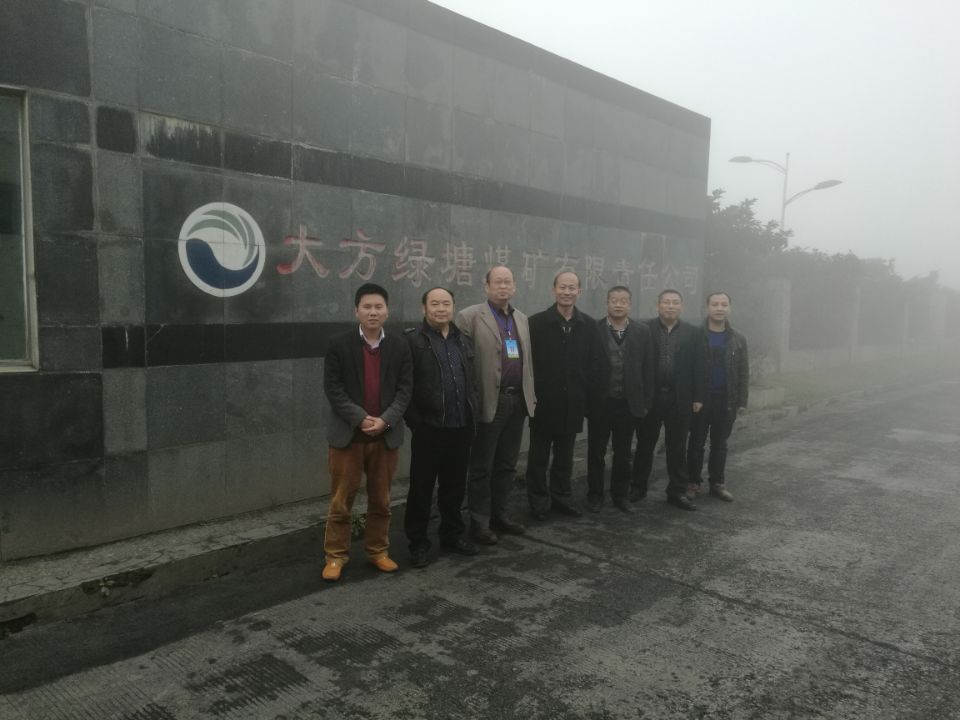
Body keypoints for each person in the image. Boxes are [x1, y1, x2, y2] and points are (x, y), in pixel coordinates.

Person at [321, 283, 413, 581]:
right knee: (341, 501)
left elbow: (405, 390)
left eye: (378, 307)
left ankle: (378, 551)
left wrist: (386, 420)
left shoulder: (400, 345)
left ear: (387, 311)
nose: (373, 312)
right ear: (356, 311)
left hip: (385, 437)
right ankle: (335, 556)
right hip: (348, 437)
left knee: (381, 500)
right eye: (367, 307)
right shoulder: (338, 344)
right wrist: (360, 418)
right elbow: (333, 389)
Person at [455, 266, 535, 545]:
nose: (503, 287)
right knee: (482, 466)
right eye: (498, 282)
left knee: (507, 464)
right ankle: (479, 522)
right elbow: (463, 365)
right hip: (489, 401)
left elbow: (528, 362)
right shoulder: (469, 317)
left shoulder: (521, 318)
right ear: (486, 286)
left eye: (508, 282)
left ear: (514, 286)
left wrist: (530, 396)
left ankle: (500, 515)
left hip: (517, 400)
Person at [403, 287, 481, 568]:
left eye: (446, 303)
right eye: (434, 304)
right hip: (429, 428)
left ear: (453, 307)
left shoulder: (463, 340)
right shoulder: (413, 340)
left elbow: (471, 381)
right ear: (424, 308)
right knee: (421, 488)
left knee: (454, 485)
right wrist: (416, 423)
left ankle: (452, 534)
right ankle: (418, 543)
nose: (440, 309)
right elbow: (405, 386)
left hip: (460, 425)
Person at [526, 271, 599, 520]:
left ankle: (561, 497)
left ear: (579, 291)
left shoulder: (589, 325)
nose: (567, 292)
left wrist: (587, 398)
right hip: (543, 402)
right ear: (553, 290)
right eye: (562, 287)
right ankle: (538, 502)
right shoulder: (536, 323)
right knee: (538, 457)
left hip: (573, 402)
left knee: (565, 456)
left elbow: (594, 364)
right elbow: (528, 364)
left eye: (572, 288)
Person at [631, 289, 706, 510]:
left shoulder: (693, 333)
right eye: (666, 302)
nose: (670, 306)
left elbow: (700, 366)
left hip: (680, 398)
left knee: (677, 446)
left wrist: (698, 396)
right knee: (645, 445)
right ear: (658, 306)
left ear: (681, 307)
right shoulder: (644, 329)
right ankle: (637, 488)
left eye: (675, 303)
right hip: (651, 397)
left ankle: (677, 491)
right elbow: (637, 363)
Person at [586, 285, 654, 514]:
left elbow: (648, 368)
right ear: (607, 303)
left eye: (623, 301)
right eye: (614, 300)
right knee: (596, 451)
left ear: (630, 305)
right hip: (601, 402)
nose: (618, 304)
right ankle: (595, 495)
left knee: (623, 452)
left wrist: (646, 401)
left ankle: (620, 495)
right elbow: (587, 367)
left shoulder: (642, 331)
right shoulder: (594, 329)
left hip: (628, 402)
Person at [687, 291, 749, 502]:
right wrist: (692, 397)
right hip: (700, 400)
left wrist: (742, 401)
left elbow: (743, 371)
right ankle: (693, 483)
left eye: (724, 304)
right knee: (696, 443)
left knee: (720, 444)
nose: (719, 308)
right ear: (707, 307)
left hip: (726, 399)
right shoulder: (695, 335)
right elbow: (688, 369)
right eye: (715, 304)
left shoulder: (738, 338)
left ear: (729, 308)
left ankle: (717, 483)